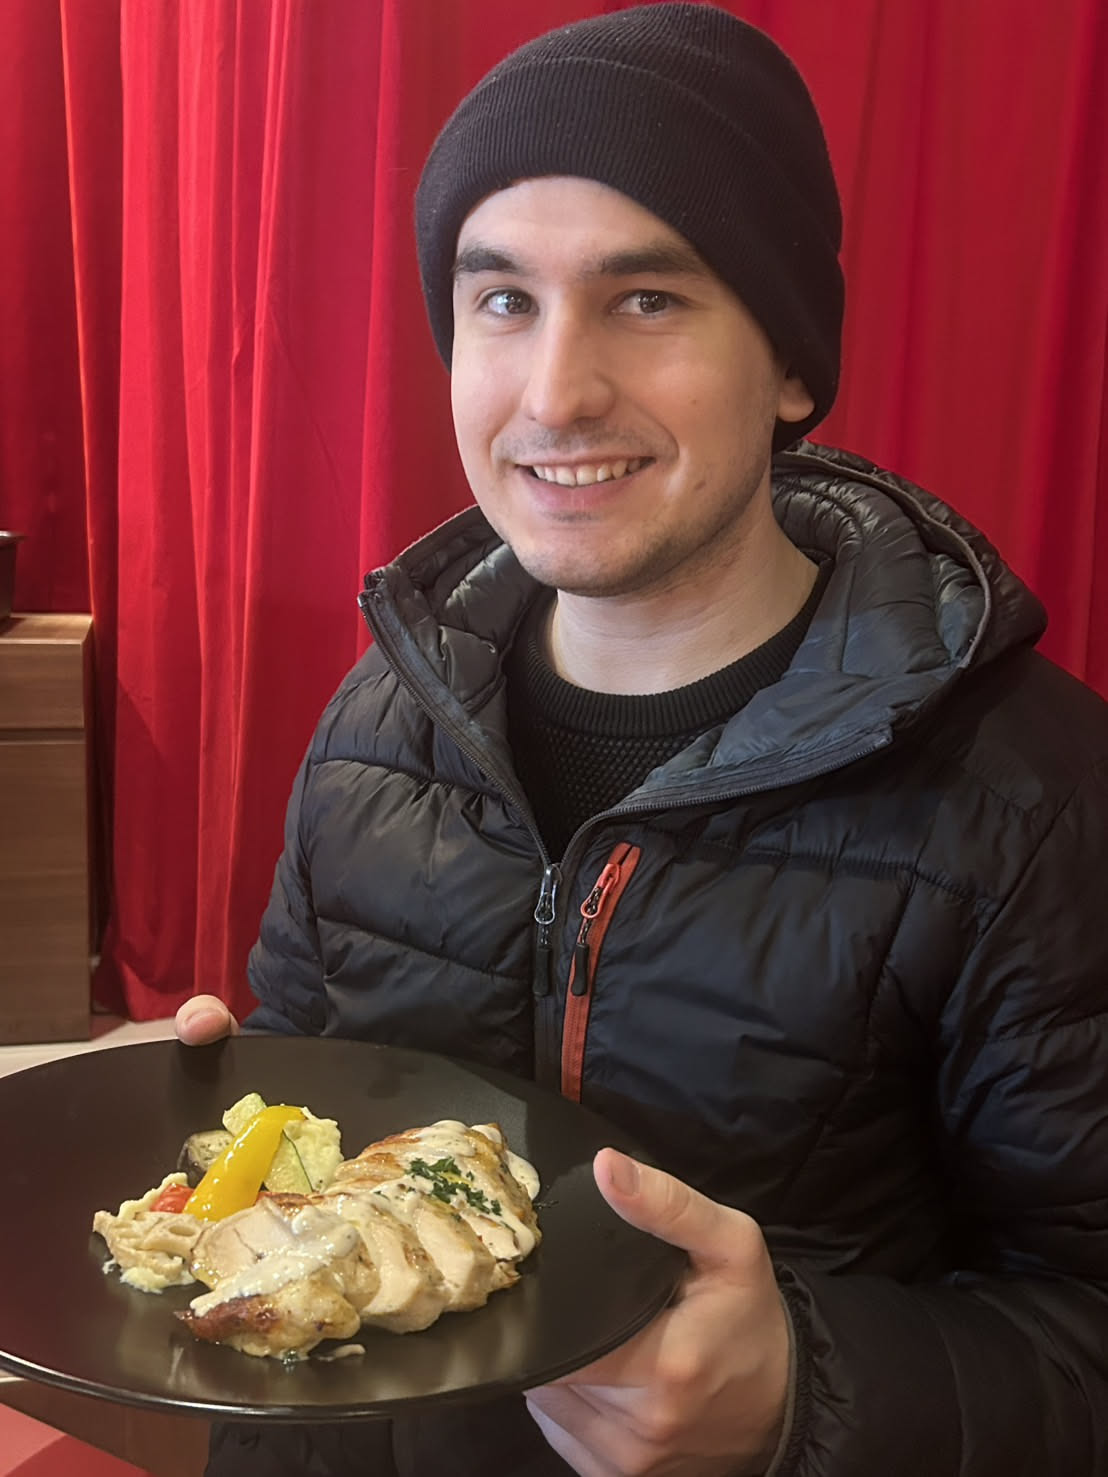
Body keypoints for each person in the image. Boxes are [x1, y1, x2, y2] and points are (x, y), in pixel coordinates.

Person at [177, 5, 1108, 1474]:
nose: (557, 394)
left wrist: (803, 1391)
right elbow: (318, 1108)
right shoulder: (384, 717)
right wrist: (228, 1138)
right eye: (503, 300)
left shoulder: (1035, 798)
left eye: (647, 299)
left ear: (790, 365)